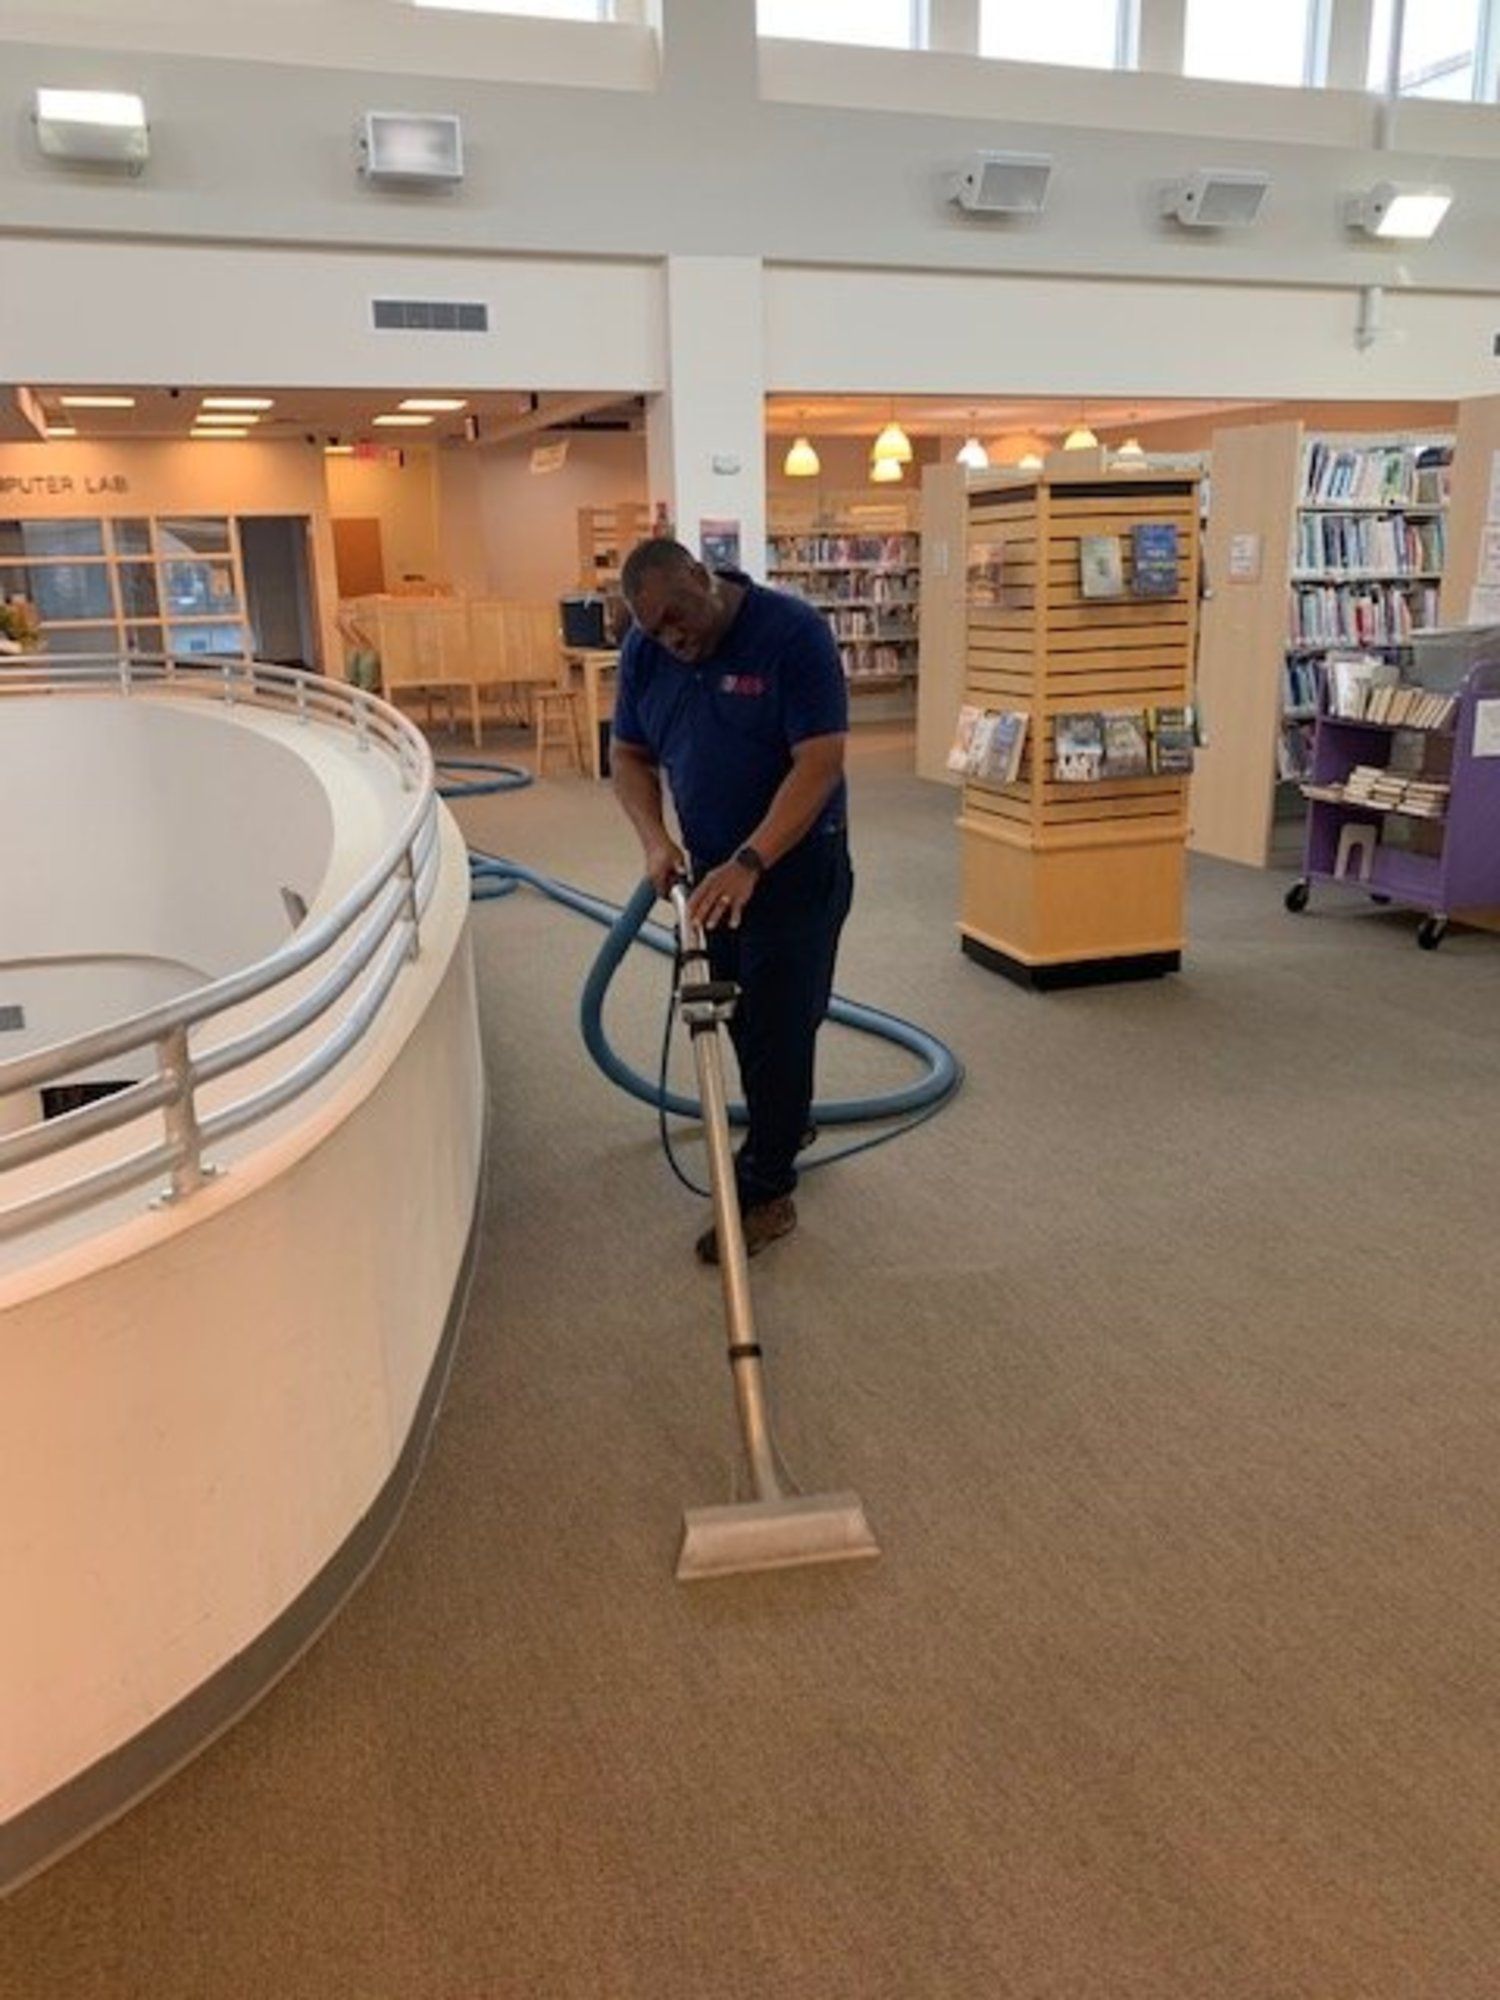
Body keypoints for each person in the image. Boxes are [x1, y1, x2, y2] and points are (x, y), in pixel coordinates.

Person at [610, 537, 853, 1264]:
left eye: (676, 617)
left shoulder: (791, 633)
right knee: (735, 1019)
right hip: (712, 875)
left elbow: (820, 763)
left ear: (699, 574)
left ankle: (769, 1190)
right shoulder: (647, 651)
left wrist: (754, 859)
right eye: (653, 630)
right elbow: (627, 754)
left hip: (795, 866)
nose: (671, 638)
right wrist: (656, 841)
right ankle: (785, 1124)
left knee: (781, 1028)